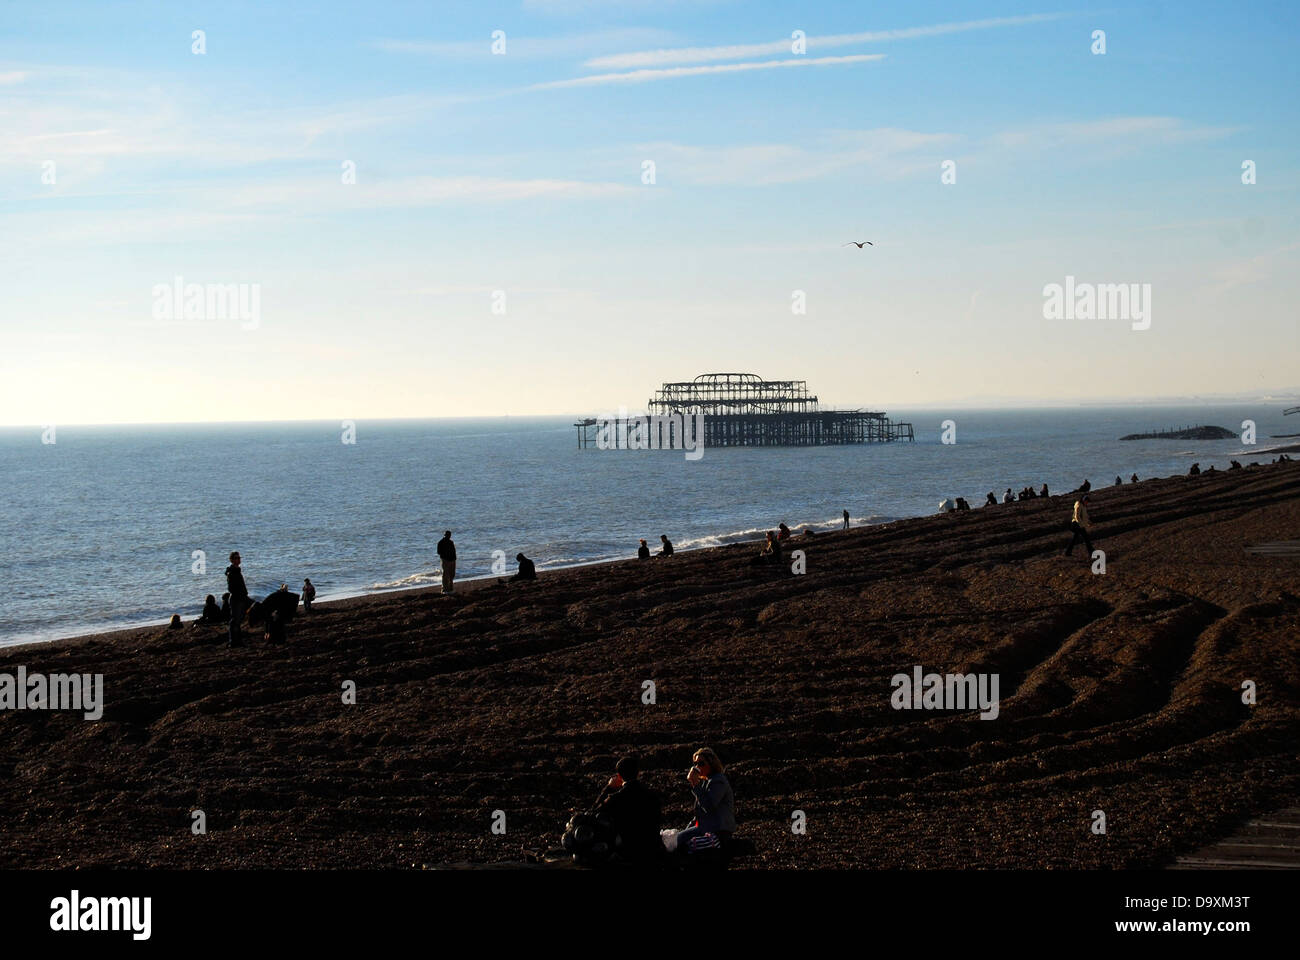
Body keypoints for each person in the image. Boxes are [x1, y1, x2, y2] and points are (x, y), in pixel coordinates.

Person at [593, 756, 663, 863]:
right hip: (653, 848)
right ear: (638, 773)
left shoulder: (615, 798)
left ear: (619, 776)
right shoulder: (652, 795)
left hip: (628, 852)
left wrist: (608, 788)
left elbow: (594, 812)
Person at [673, 747, 736, 855]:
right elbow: (700, 814)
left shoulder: (718, 781)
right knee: (678, 839)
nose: (697, 767)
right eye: (695, 763)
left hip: (718, 829)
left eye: (701, 763)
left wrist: (695, 784)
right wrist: (687, 828)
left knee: (679, 841)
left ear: (711, 763)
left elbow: (709, 806)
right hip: (708, 826)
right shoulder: (707, 781)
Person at [226, 551, 249, 648]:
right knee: (235, 620)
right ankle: (233, 641)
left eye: (239, 558)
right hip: (236, 599)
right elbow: (231, 588)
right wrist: (240, 594)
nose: (238, 559)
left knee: (238, 620)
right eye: (236, 558)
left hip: (240, 598)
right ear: (231, 560)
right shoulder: (232, 572)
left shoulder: (237, 570)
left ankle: (237, 640)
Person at [437, 530, 456, 594]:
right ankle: (444, 589)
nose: (448, 536)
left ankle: (450, 589)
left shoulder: (451, 542)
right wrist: (445, 555)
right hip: (445, 560)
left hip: (452, 560)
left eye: (449, 535)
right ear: (444, 535)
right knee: (445, 575)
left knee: (452, 575)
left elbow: (454, 550)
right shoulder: (441, 542)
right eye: (447, 535)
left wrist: (454, 558)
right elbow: (439, 552)